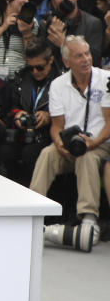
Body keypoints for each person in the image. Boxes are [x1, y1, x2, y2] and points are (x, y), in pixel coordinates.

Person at [30, 35, 110, 230]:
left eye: (88, 53)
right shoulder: (58, 84)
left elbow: (109, 122)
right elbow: (57, 125)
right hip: (69, 144)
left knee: (87, 156)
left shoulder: (106, 79)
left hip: (100, 143)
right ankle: (31, 212)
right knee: (47, 154)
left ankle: (88, 217)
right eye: (79, 56)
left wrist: (93, 142)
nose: (86, 59)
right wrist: (59, 144)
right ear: (67, 61)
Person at [9, 37, 61, 184]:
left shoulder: (62, 80)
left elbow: (72, 112)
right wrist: (17, 114)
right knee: (5, 151)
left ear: (50, 60)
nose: (35, 71)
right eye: (31, 67)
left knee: (30, 153)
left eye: (39, 67)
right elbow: (11, 107)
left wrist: (50, 116)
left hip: (48, 135)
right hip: (23, 133)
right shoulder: (21, 77)